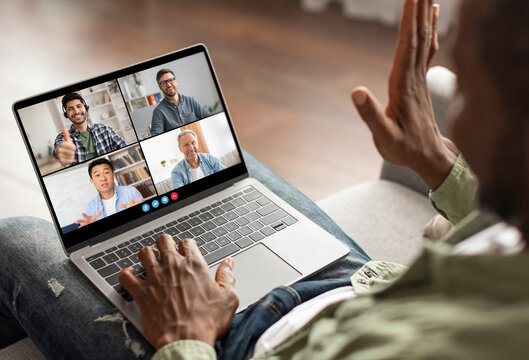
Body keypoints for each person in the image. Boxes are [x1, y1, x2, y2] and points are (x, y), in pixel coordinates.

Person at [0, 0, 528, 358]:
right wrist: (438, 161)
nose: (454, 118)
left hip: (234, 344)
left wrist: (187, 334)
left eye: (467, 94)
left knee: (12, 239)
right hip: (356, 284)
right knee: (230, 171)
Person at [53, 93, 127, 166]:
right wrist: (61, 153)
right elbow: (59, 149)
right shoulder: (63, 138)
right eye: (70, 109)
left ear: (86, 108)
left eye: (79, 106)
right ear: (66, 114)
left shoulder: (105, 130)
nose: (76, 111)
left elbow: (124, 146)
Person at [76, 158, 143, 227]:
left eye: (106, 173)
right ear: (91, 181)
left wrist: (136, 212)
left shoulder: (131, 192)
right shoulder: (90, 207)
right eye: (97, 175)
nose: (103, 178)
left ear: (113, 174)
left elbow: (147, 217)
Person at [150, 69, 210, 136]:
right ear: (160, 87)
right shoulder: (158, 112)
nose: (169, 85)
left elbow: (208, 118)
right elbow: (156, 136)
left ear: (176, 81)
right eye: (163, 83)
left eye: (170, 80)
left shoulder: (190, 101)